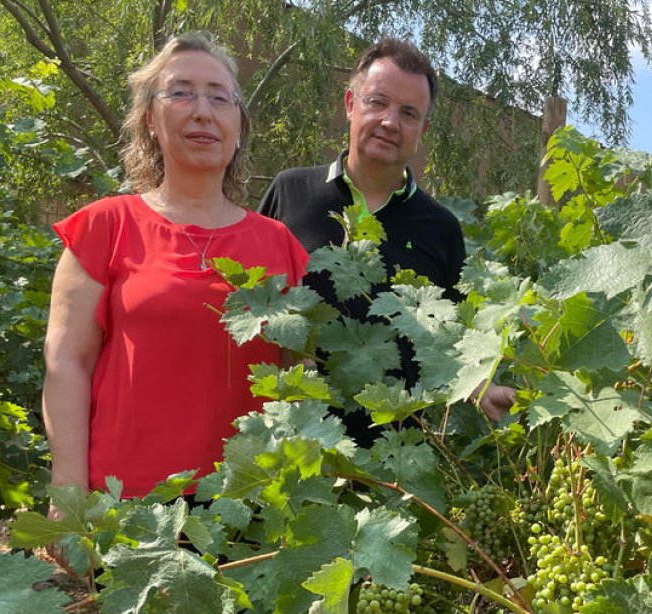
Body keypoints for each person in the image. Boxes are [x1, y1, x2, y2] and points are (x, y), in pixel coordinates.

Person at [43, 33, 308, 505]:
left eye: (219, 97)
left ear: (239, 125)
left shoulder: (280, 245)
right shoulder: (105, 227)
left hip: (248, 504)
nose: (202, 111)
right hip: (125, 506)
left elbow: (298, 380)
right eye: (181, 92)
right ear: (150, 119)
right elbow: (66, 363)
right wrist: (68, 492)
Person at [257, 38, 513, 443]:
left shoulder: (441, 228)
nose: (390, 121)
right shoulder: (290, 192)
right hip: (287, 449)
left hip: (395, 466)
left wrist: (482, 386)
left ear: (423, 129)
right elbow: (253, 303)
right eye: (377, 102)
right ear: (350, 104)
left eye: (408, 113)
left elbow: (457, 342)